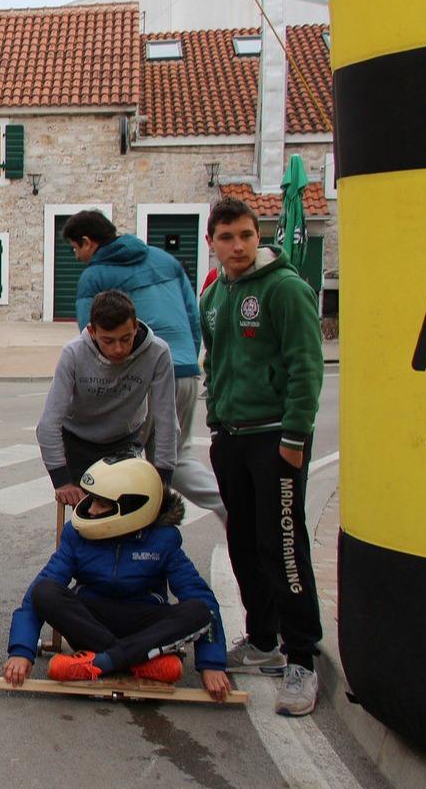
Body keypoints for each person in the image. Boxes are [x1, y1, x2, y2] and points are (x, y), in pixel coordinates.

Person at [200, 196, 325, 717]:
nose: (238, 246)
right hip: (231, 436)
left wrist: (294, 439)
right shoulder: (214, 293)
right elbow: (218, 359)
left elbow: (305, 367)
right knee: (244, 543)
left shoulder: (285, 289)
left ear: (259, 235)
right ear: (211, 242)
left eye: (246, 235)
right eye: (226, 237)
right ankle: (263, 640)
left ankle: (302, 658)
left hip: (275, 439)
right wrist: (214, 422)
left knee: (283, 546)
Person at [1, 457, 232, 702]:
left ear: (133, 506)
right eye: (92, 499)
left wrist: (212, 664)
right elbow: (39, 593)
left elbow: (201, 600)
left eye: (101, 503)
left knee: (200, 609)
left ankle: (102, 661)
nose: (90, 509)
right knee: (44, 591)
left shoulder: (164, 539)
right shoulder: (77, 535)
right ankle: (138, 660)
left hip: (144, 620)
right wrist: (21, 651)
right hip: (92, 623)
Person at [65, 209, 225, 521]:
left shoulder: (94, 276)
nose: (76, 257)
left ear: (87, 242)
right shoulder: (164, 260)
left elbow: (92, 338)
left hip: (146, 374)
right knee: (176, 457)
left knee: (135, 462)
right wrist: (188, 360)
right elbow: (194, 317)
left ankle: (142, 543)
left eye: (75, 248)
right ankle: (222, 504)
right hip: (185, 369)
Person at [36, 290, 179, 507]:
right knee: (89, 519)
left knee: (128, 514)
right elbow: (48, 424)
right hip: (77, 441)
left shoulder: (158, 353)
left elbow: (166, 420)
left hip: (124, 440)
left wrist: (164, 478)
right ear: (93, 332)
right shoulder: (73, 353)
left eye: (126, 338)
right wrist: (62, 481)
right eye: (108, 341)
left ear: (136, 328)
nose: (118, 349)